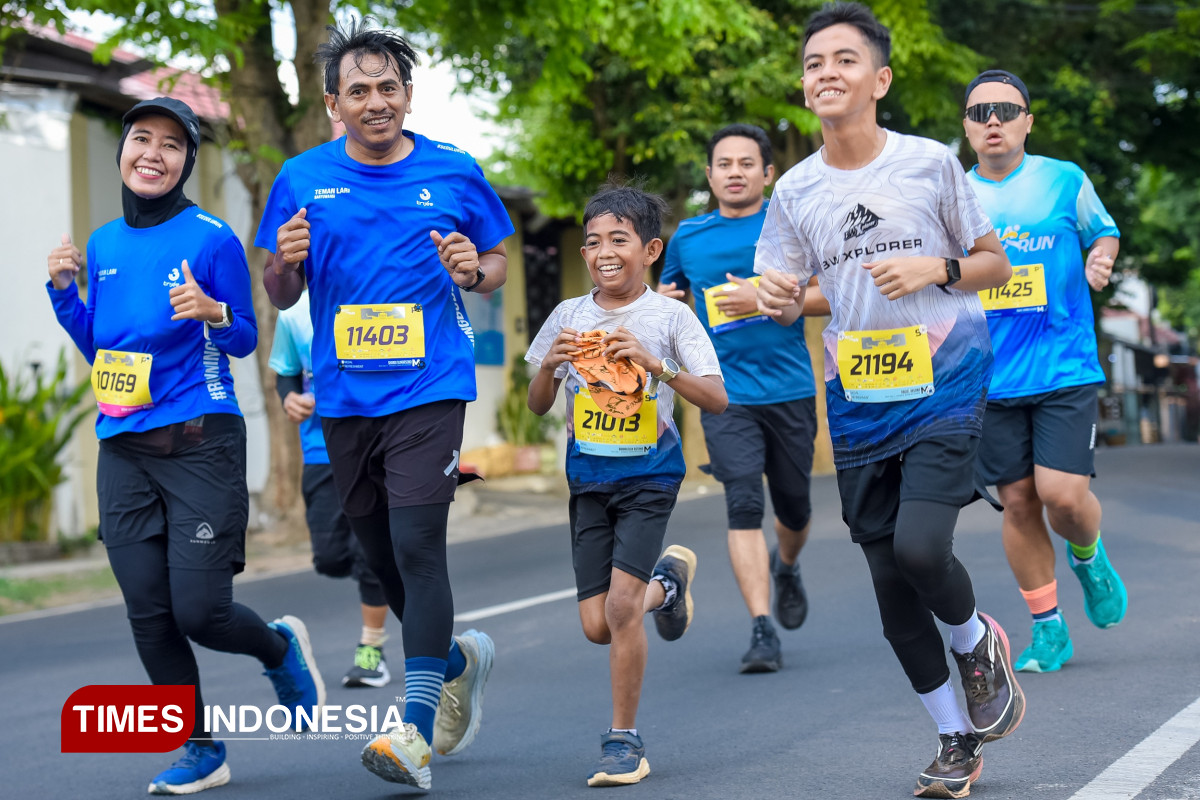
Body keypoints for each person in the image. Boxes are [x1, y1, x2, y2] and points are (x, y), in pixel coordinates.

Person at [754, 5, 1025, 797]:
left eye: (843, 59)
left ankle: (975, 643)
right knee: (887, 584)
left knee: (920, 550)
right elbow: (793, 293)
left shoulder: (929, 163)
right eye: (813, 63)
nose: (825, 73)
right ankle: (953, 739)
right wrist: (777, 299)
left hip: (946, 378)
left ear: (880, 79)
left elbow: (994, 264)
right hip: (859, 394)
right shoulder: (795, 189)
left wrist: (936, 269)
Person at [46, 97, 323, 796]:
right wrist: (64, 292)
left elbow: (245, 339)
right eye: (142, 138)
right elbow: (101, 349)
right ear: (124, 151)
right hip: (124, 447)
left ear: (186, 163)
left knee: (200, 612)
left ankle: (278, 647)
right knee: (148, 611)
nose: (153, 154)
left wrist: (214, 310)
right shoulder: (103, 244)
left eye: (172, 145)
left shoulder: (211, 237)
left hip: (201, 440)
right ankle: (200, 747)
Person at [255, 19, 501, 790]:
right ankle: (455, 661)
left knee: (419, 547)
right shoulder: (301, 177)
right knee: (382, 559)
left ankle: (414, 733)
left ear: (408, 93)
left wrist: (474, 268)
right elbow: (280, 289)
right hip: (345, 398)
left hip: (431, 385)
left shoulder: (454, 170)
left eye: (387, 87)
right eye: (358, 90)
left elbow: (494, 261)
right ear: (334, 104)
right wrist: (284, 264)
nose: (375, 101)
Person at [525, 184, 728, 786]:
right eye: (593, 242)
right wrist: (549, 366)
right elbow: (538, 404)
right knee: (598, 625)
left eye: (619, 239)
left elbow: (716, 398)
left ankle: (624, 742)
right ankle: (669, 585)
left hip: (649, 476)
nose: (604, 252)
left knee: (619, 608)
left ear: (651, 250)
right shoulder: (567, 315)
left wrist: (654, 363)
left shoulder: (671, 317)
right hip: (588, 480)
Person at [963, 69, 1128, 674]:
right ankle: (1048, 627)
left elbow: (1103, 233)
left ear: (1028, 122)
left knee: (1061, 495)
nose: (994, 121)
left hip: (1063, 365)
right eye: (980, 112)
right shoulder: (954, 195)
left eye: (1007, 110)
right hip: (990, 375)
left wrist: (1100, 259)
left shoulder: (1063, 179)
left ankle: (1088, 556)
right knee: (1018, 501)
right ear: (967, 128)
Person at [658, 123, 826, 673]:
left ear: (767, 173)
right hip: (724, 394)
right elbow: (667, 303)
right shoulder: (688, 237)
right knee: (744, 504)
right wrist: (660, 302)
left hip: (790, 388)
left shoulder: (790, 224)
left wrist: (768, 296)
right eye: (724, 164)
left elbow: (834, 291)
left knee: (795, 508)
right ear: (710, 175)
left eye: (747, 163)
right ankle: (761, 628)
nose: (735, 172)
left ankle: (787, 565)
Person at [270, 289, 392, 688]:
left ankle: (371, 649)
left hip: (377, 444)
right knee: (330, 556)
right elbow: (286, 370)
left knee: (369, 553)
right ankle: (391, 571)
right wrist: (289, 397)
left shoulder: (380, 294)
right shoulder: (295, 311)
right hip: (320, 447)